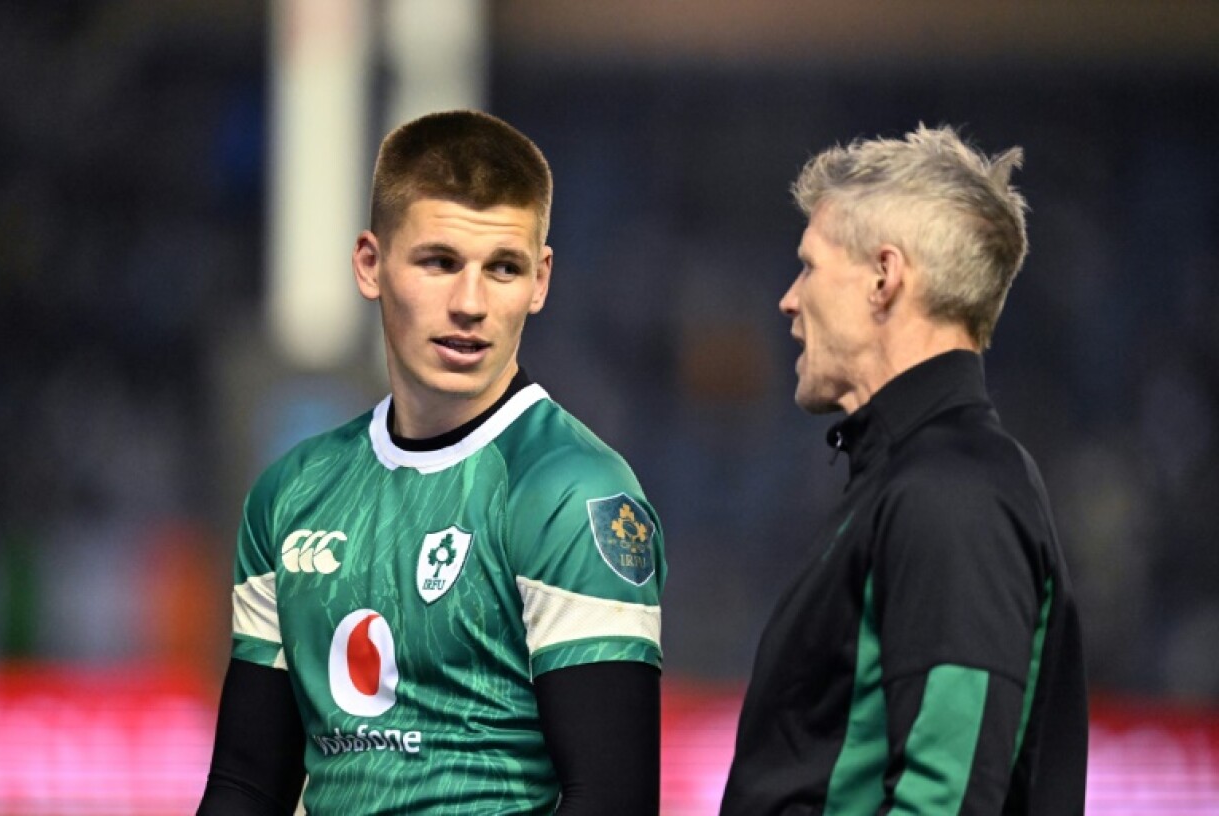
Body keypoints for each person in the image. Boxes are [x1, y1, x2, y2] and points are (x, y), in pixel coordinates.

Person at [199, 110, 666, 815]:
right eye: (440, 262)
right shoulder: (290, 493)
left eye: (502, 269)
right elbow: (245, 788)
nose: (471, 303)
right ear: (370, 264)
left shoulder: (575, 494)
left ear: (540, 281)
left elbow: (613, 802)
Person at [720, 125, 1088, 815]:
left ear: (885, 278)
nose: (789, 300)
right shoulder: (915, 480)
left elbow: (944, 802)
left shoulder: (953, 493)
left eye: (808, 266)